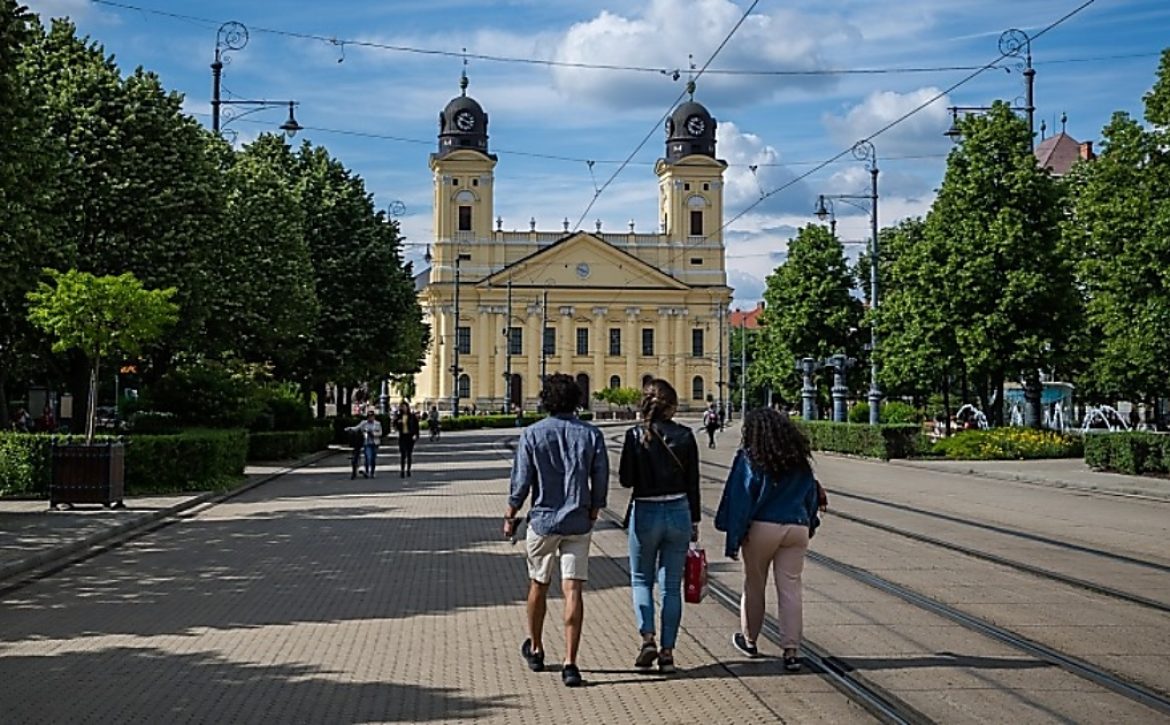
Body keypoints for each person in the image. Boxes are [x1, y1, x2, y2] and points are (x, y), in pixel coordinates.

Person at [504, 374, 608, 688]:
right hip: (578, 522)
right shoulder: (591, 435)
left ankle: (535, 648)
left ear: (545, 400)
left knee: (538, 582)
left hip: (543, 522)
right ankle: (570, 663)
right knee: (573, 590)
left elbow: (521, 481)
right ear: (577, 400)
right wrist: (594, 508)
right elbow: (600, 478)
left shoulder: (532, 434)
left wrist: (510, 513)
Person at [715, 408, 821, 673]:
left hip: (763, 527)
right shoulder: (799, 460)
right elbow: (811, 494)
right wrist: (810, 524)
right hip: (796, 526)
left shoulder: (751, 458)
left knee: (755, 584)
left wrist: (733, 539)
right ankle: (792, 650)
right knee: (791, 589)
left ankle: (749, 640)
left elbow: (741, 499)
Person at [618, 379, 700, 674]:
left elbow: (626, 480)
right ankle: (667, 653)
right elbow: (693, 482)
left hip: (646, 512)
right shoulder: (686, 435)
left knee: (641, 579)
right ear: (673, 406)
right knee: (670, 588)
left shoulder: (634, 435)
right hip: (679, 511)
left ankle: (647, 638)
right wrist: (694, 522)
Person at [345, 409, 382, 478]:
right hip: (367, 443)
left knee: (373, 459)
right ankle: (367, 472)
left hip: (375, 443)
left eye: (372, 416)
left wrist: (373, 434)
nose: (370, 418)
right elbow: (357, 428)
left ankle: (372, 472)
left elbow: (380, 433)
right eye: (369, 416)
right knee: (368, 457)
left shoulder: (377, 424)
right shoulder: (364, 423)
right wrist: (350, 428)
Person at [394, 401, 421, 477]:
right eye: (402, 407)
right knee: (403, 454)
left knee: (409, 454)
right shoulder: (399, 416)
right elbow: (394, 425)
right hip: (402, 436)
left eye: (405, 406)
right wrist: (397, 422)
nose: (404, 408)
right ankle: (402, 470)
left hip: (410, 437)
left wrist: (416, 435)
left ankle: (408, 470)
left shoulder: (412, 416)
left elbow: (416, 426)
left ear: (407, 407)